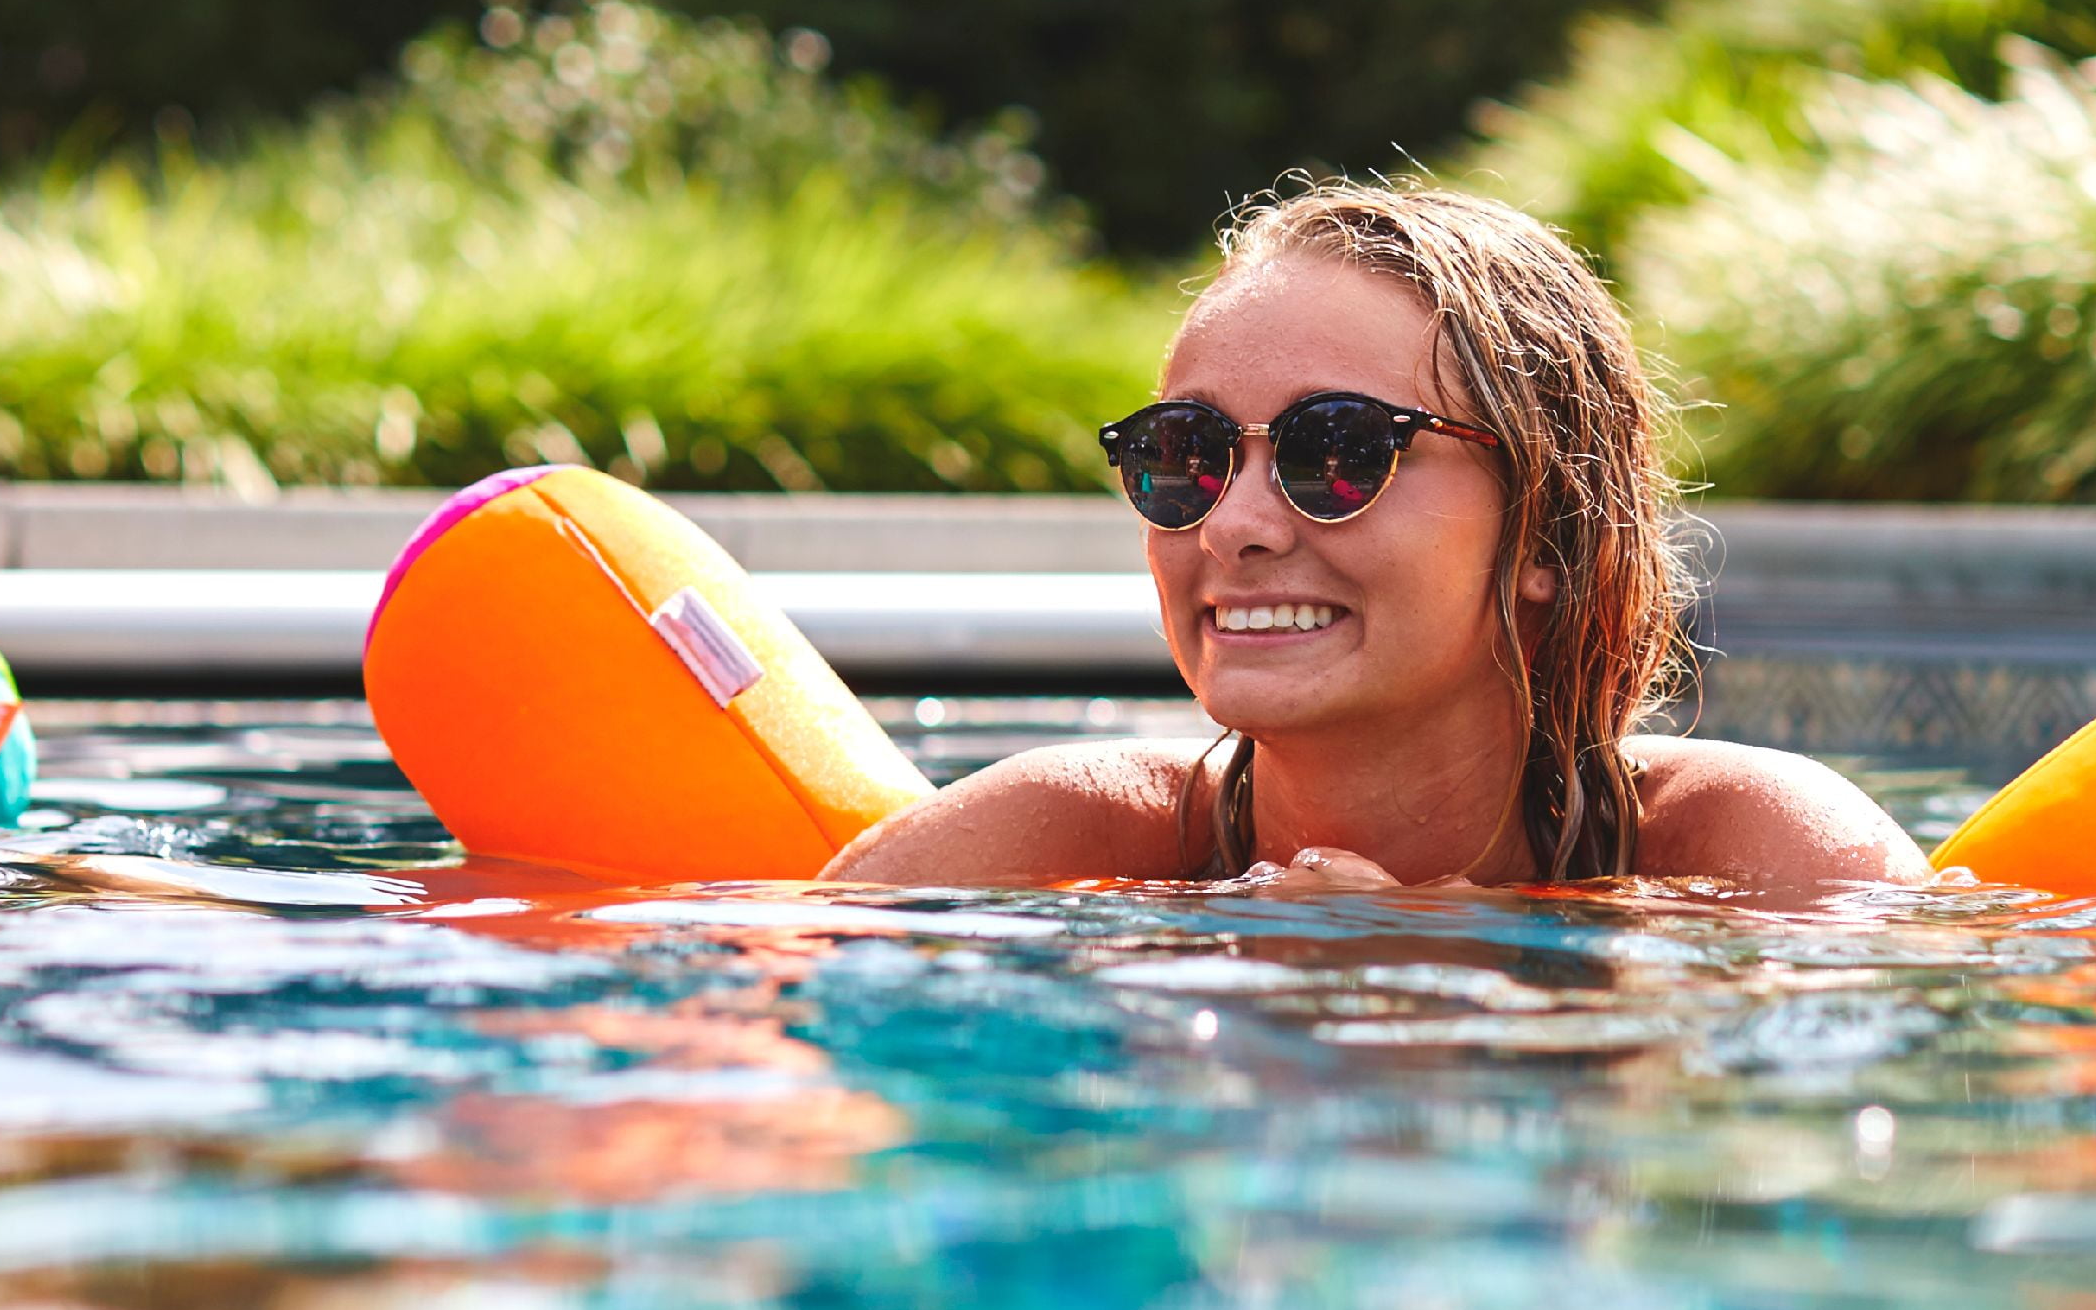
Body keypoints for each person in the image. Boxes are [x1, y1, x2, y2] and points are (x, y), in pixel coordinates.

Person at [825, 181, 1927, 900]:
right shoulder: (1051, 847)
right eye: (1187, 452)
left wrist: (1428, 963)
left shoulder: (1761, 856)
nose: (1238, 524)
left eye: (1337, 450)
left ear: (1546, 521)